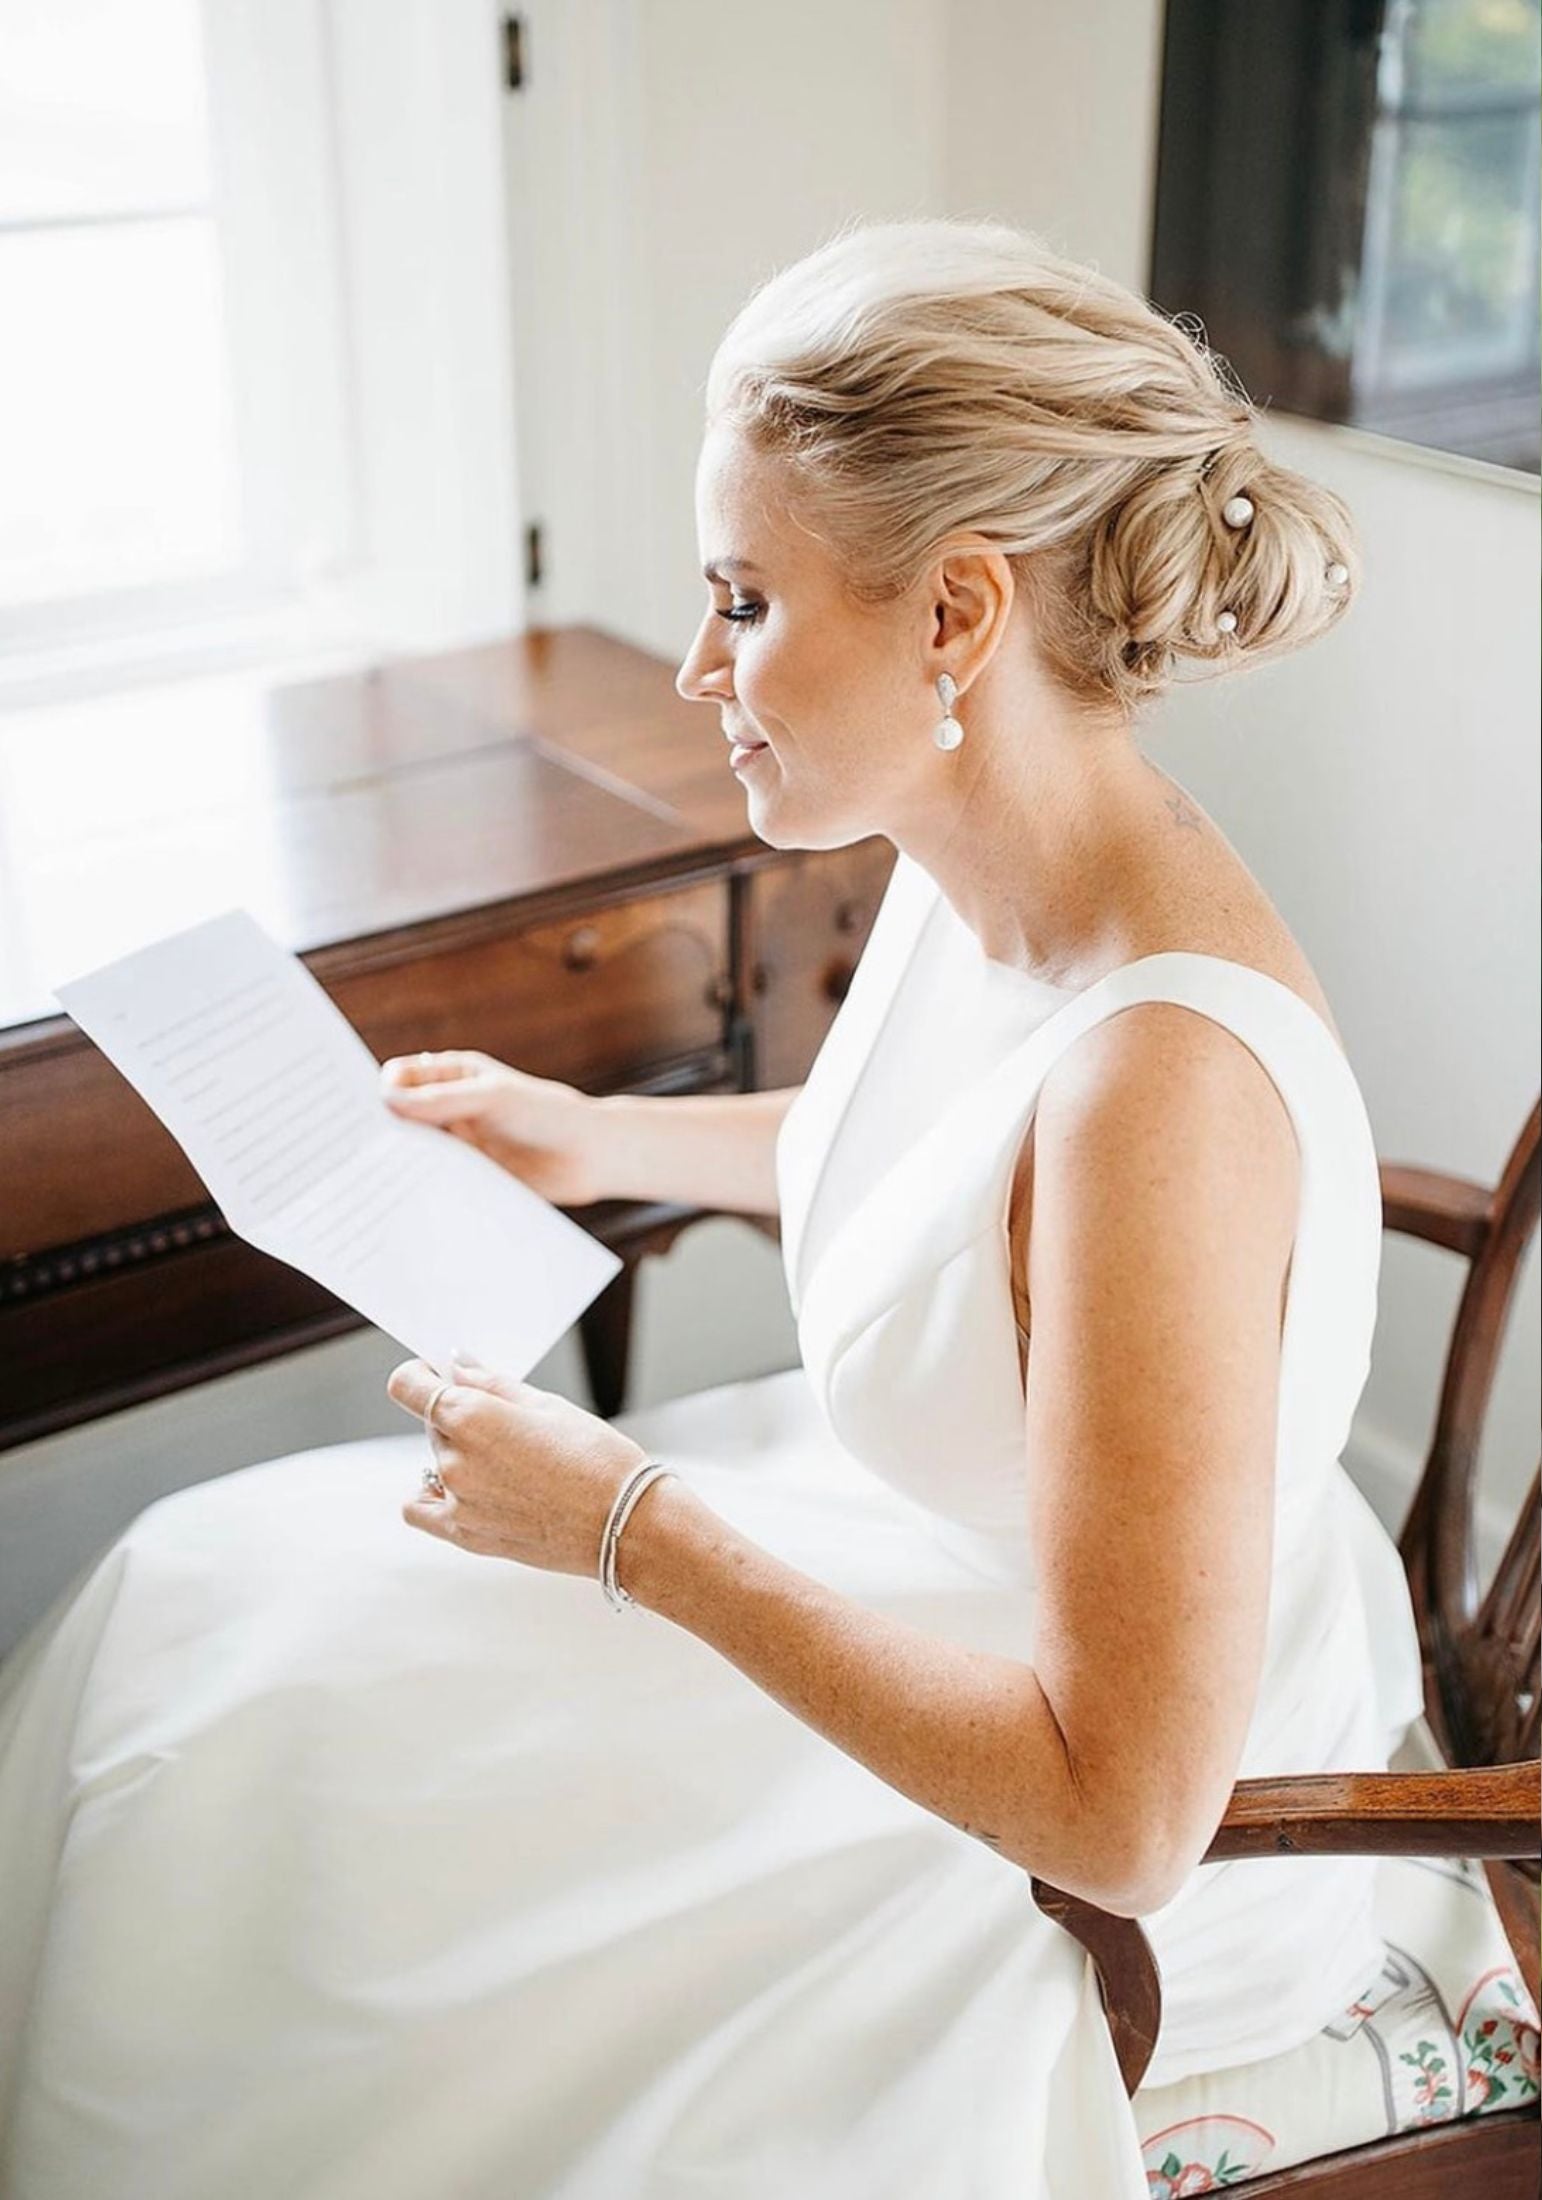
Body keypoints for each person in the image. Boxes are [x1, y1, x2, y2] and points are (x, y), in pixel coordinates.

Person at [0, 216, 1424, 2198]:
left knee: (289, 1796)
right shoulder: (976, 837)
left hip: (1050, 1810)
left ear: (954, 615)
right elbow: (952, 1182)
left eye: (742, 599)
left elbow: (1125, 1815)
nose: (694, 668)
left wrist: (625, 1525)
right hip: (927, 1569)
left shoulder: (1163, 1089)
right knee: (200, 1598)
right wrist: (599, 1133)